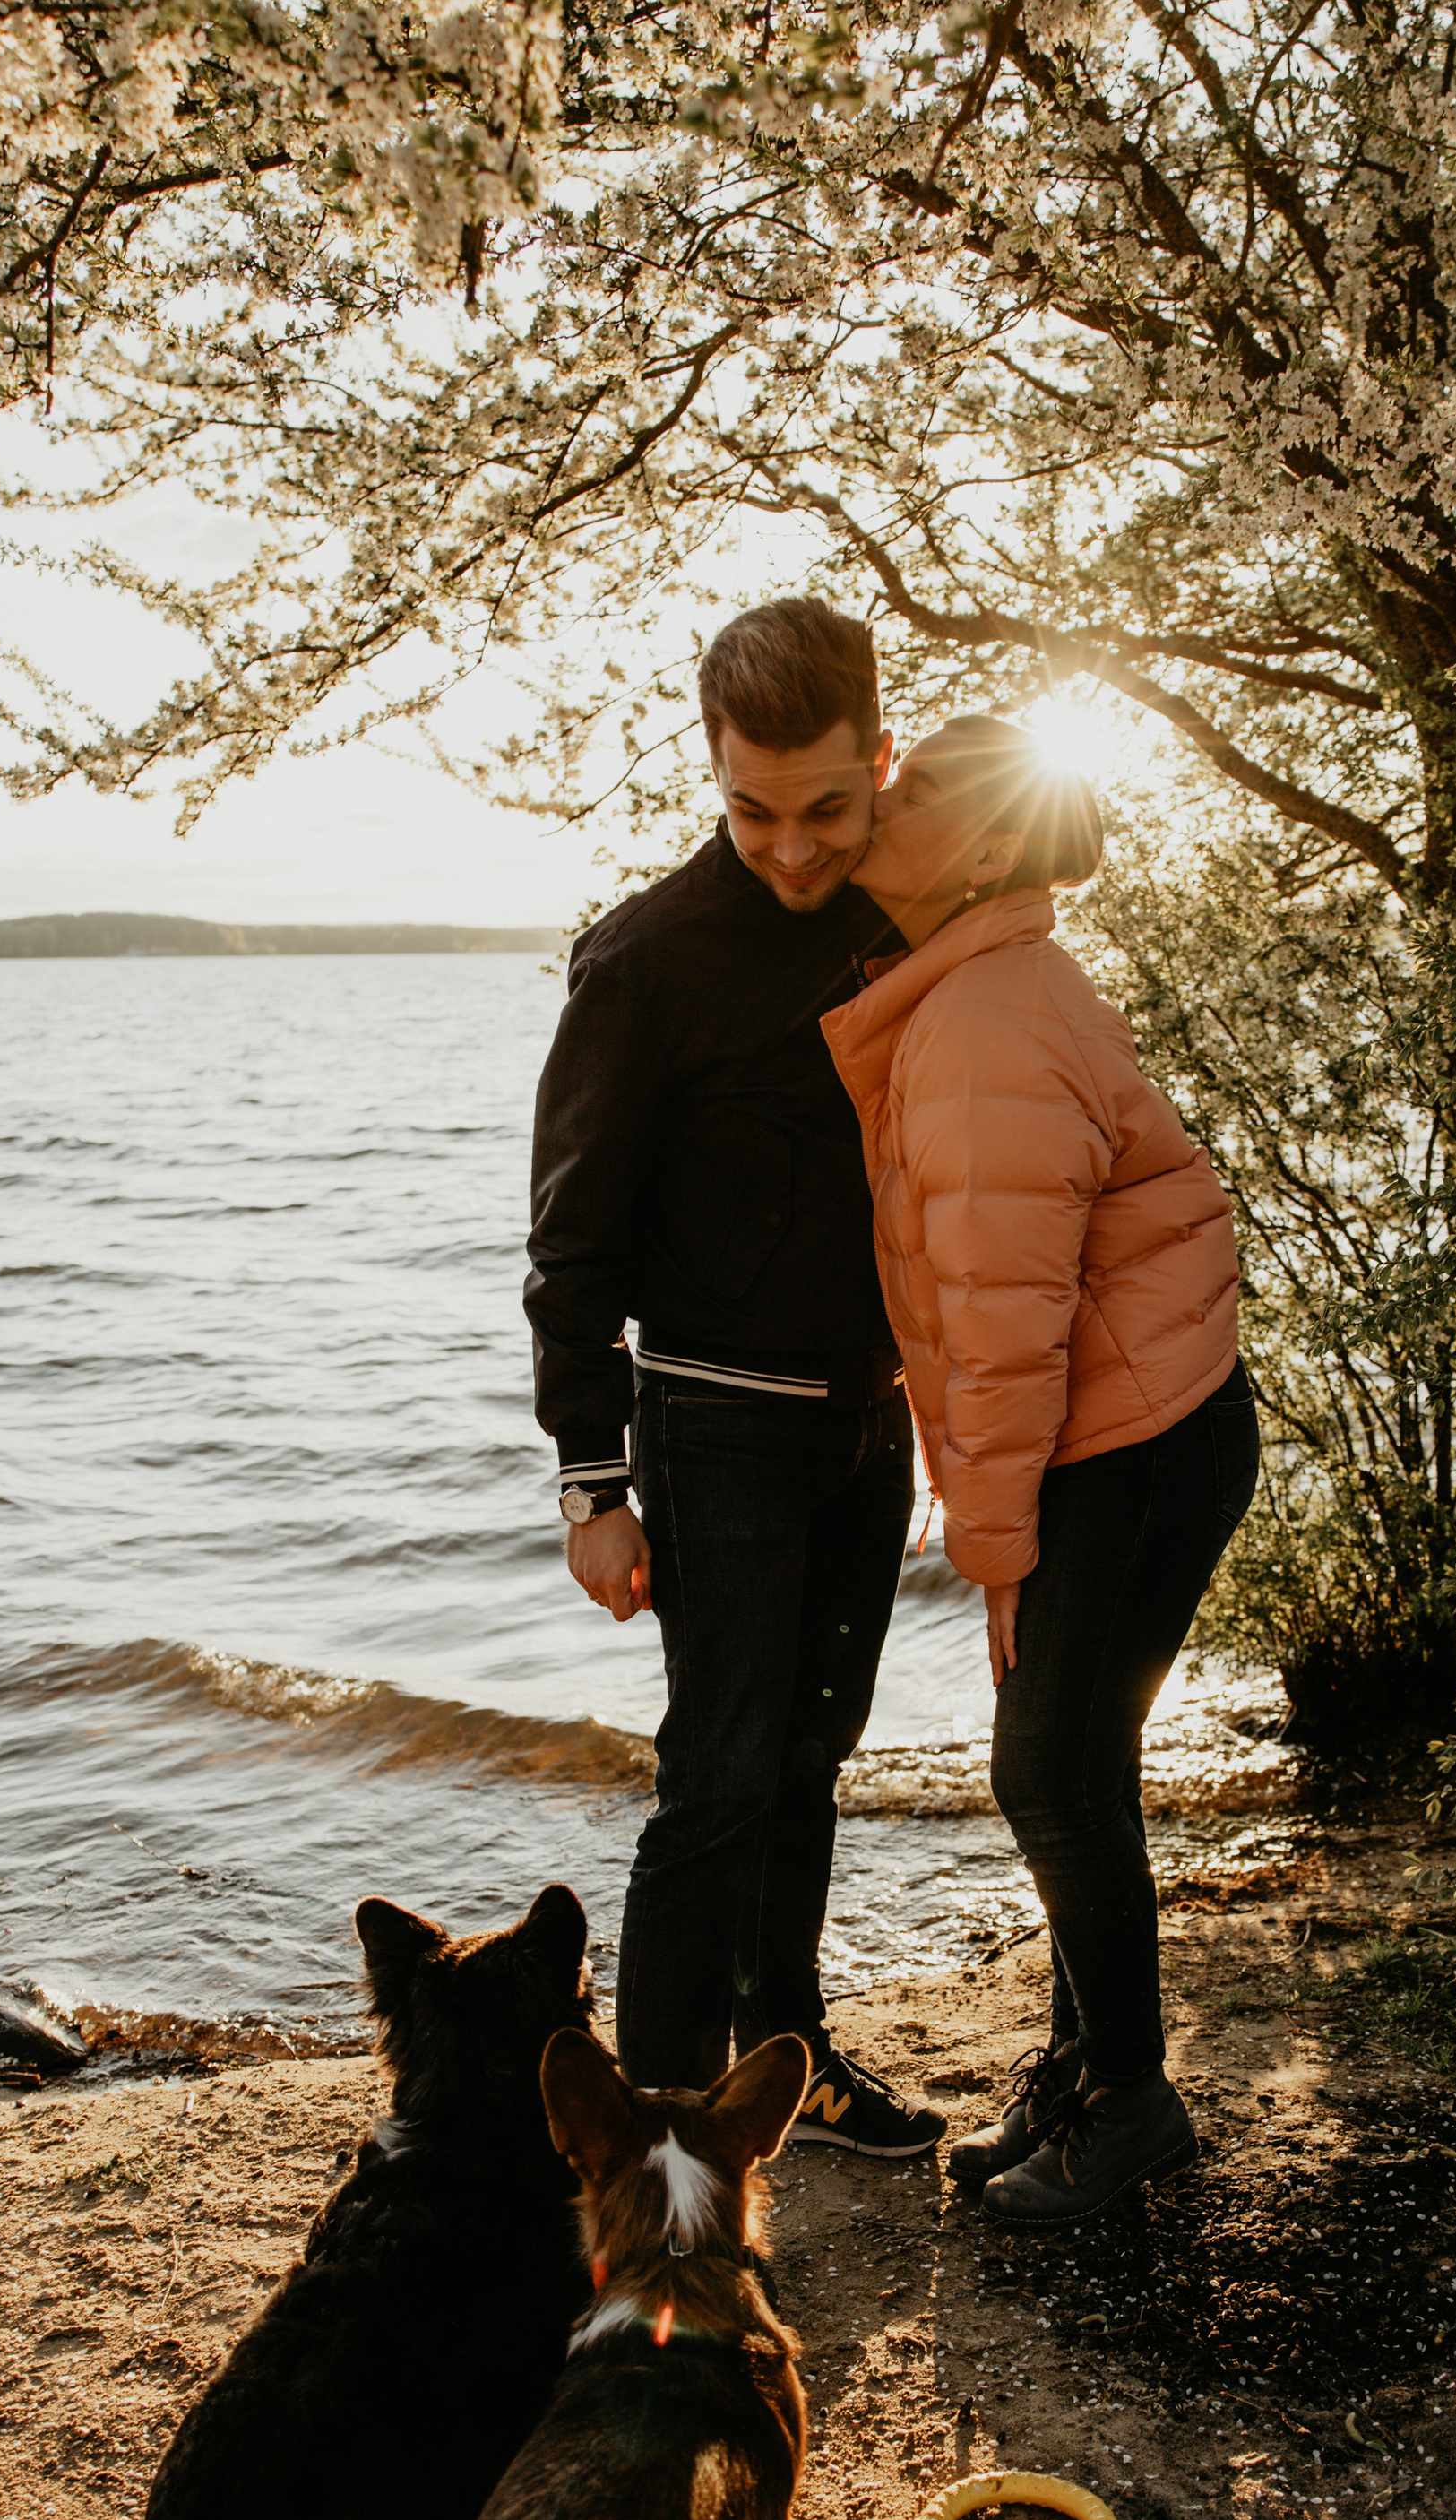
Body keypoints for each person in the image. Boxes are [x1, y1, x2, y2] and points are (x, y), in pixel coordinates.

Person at [823, 713, 1258, 2224]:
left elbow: (1005, 1331)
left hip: (1137, 1440)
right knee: (1077, 1761)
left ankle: (1130, 2104)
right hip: (1136, 1429)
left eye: (921, 791)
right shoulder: (969, 988)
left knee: (1046, 1769)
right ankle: (1084, 2076)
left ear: (996, 844)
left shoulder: (987, 1018)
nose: (888, 805)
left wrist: (995, 1558)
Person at [523, 597, 943, 2155]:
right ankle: (662, 2128)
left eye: (827, 807)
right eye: (751, 810)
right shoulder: (641, 966)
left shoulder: (902, 919)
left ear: (879, 760)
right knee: (721, 1776)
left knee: (816, 1758)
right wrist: (593, 1481)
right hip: (709, 1428)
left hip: (865, 1424)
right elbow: (571, 1247)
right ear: (711, 769)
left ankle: (789, 2070)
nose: (788, 845)